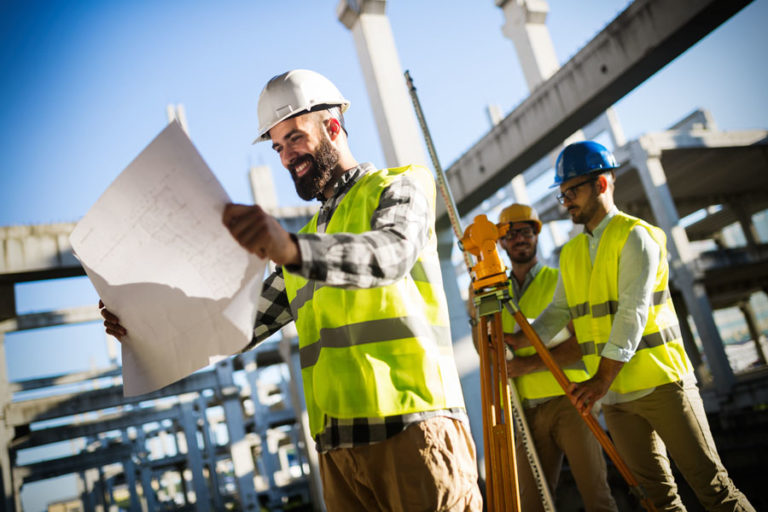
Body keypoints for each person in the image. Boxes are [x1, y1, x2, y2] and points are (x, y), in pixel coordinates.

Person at [100, 69, 482, 511]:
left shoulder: (399, 186)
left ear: (333, 127)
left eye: (294, 139)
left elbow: (388, 255)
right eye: (278, 147)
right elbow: (236, 325)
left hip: (413, 430)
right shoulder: (307, 240)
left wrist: (288, 247)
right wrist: (141, 327)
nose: (286, 158)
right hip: (339, 451)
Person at [506, 140, 754, 511]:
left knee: (714, 490)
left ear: (601, 185)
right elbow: (557, 314)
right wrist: (512, 339)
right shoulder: (572, 253)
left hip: (661, 386)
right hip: (617, 400)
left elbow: (632, 314)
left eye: (571, 191)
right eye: (563, 195)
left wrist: (599, 381)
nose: (566, 201)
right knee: (658, 501)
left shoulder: (635, 236)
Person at [468, 203, 618, 512]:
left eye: (526, 231)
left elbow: (581, 345)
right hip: (524, 413)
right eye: (511, 234)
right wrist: (475, 309)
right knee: (532, 505)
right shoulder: (493, 292)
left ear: (536, 235)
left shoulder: (558, 280)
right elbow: (485, 351)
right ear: (501, 242)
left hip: (570, 402)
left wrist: (526, 365)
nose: (519, 239)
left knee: (597, 496)